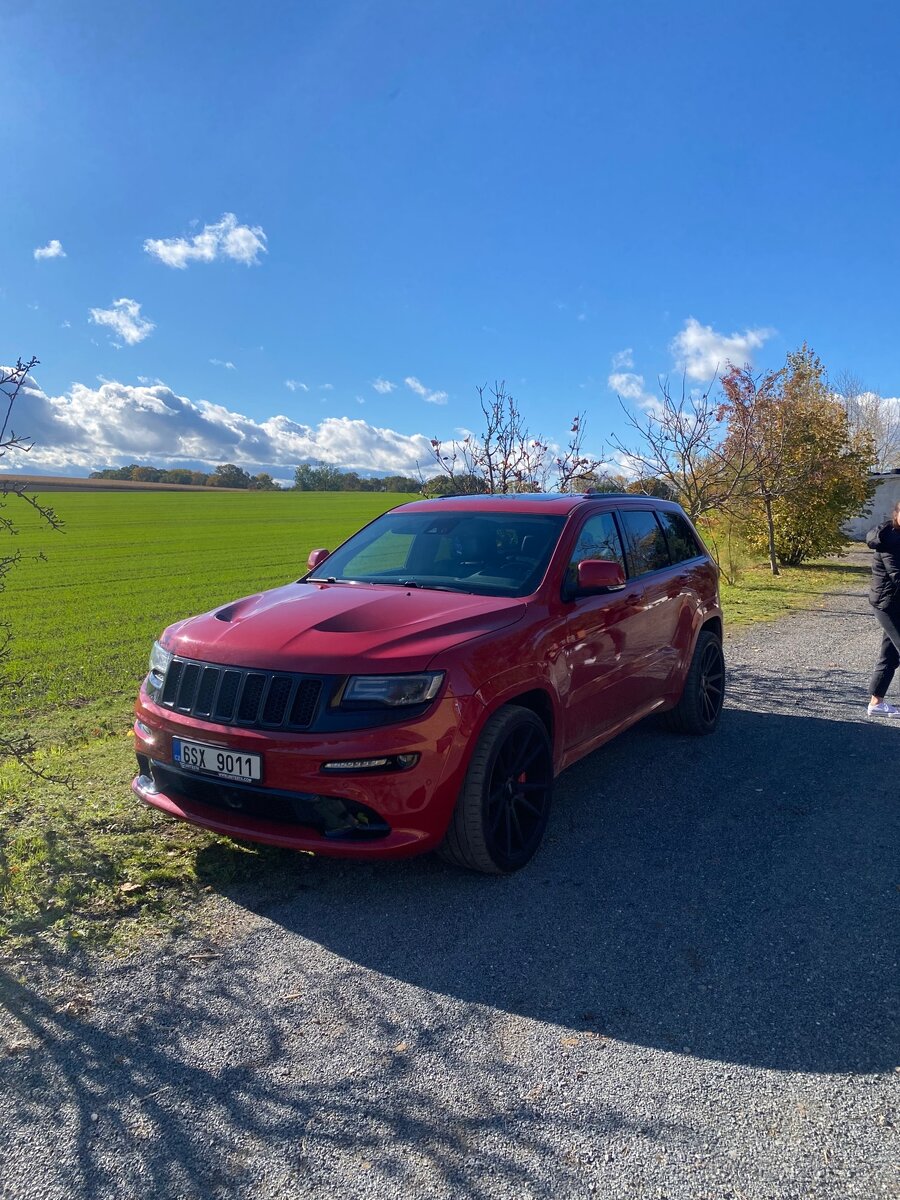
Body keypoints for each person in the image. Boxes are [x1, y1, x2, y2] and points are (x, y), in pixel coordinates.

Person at [865, 498, 900, 716]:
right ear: (896, 514)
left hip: (898, 602)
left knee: (890, 655)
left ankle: (876, 703)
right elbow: (898, 576)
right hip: (887, 603)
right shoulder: (889, 540)